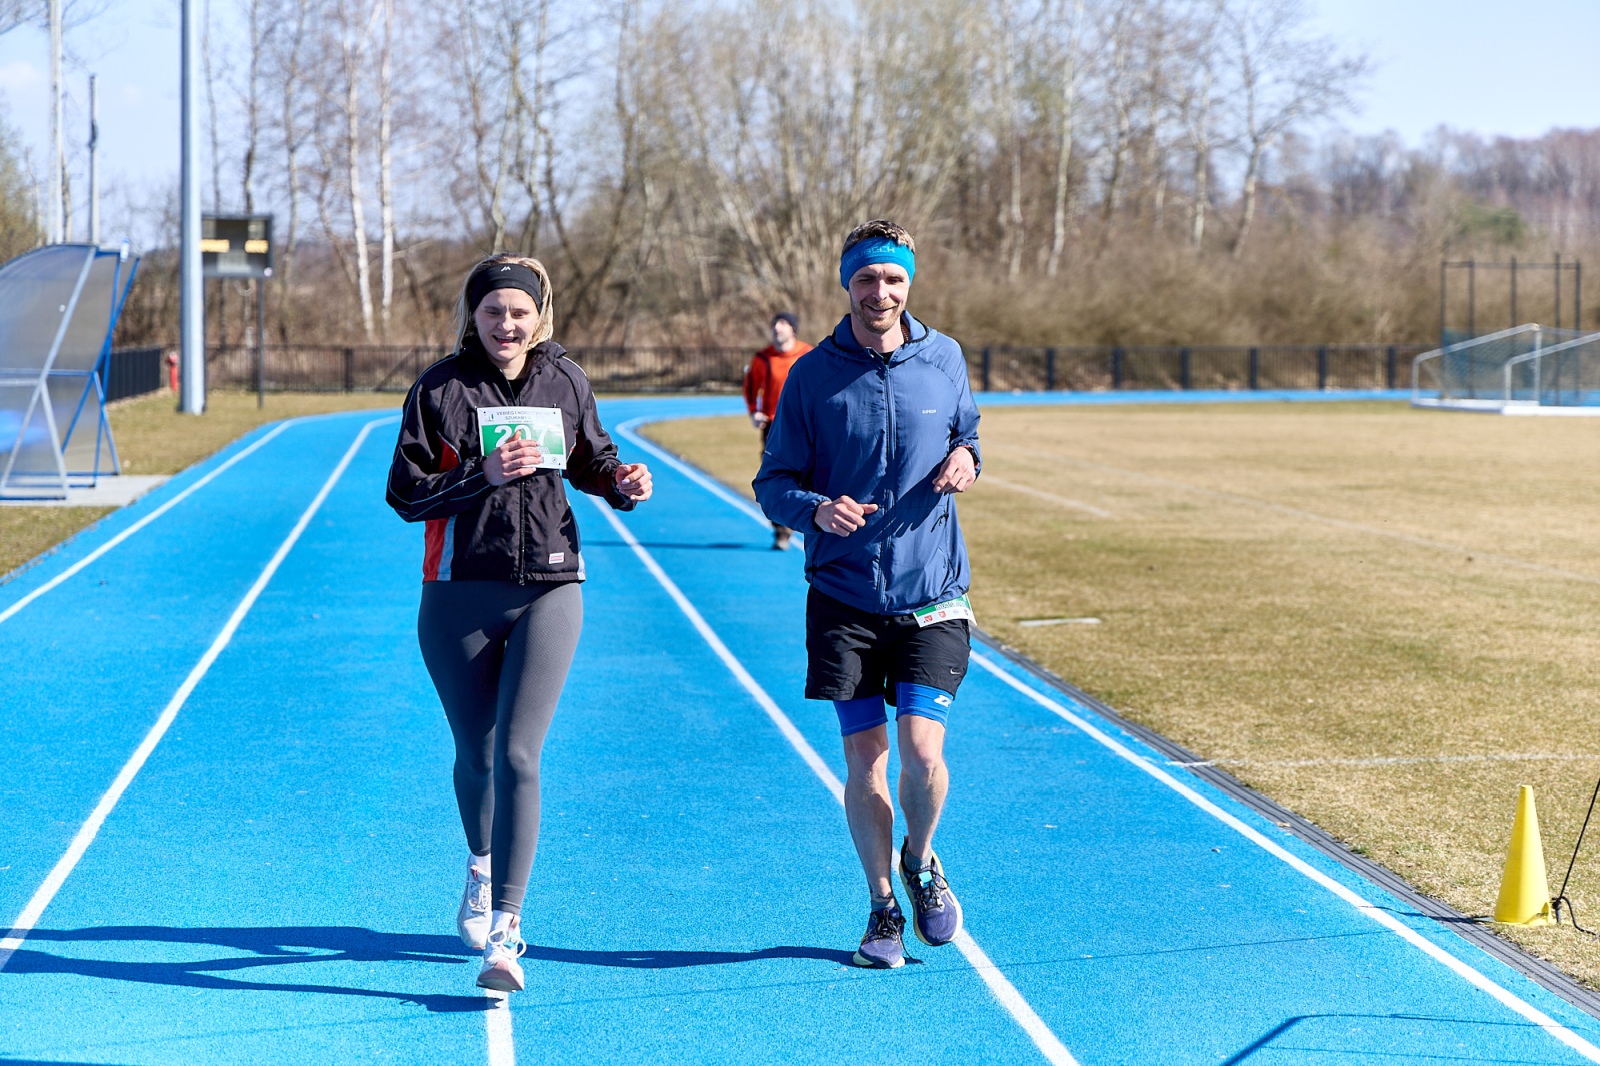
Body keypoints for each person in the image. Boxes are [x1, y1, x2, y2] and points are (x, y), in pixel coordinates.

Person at [386, 254, 652, 993]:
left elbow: (594, 460)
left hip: (550, 587)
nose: (507, 324)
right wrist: (483, 475)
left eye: (520, 312)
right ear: (473, 316)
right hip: (459, 593)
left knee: (520, 756)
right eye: (493, 311)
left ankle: (506, 930)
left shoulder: (564, 379)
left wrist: (624, 482)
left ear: (541, 316)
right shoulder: (439, 388)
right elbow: (405, 495)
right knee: (476, 753)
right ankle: (480, 861)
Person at [753, 220, 980, 969]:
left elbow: (969, 435)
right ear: (846, 285)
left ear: (909, 283)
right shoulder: (814, 375)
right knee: (868, 763)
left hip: (933, 592)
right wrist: (815, 508)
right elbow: (773, 484)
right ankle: (883, 908)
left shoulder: (944, 357)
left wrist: (967, 459)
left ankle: (922, 859)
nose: (879, 292)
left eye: (892, 279)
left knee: (923, 753)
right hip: (846, 598)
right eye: (865, 280)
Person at [743, 312, 812, 549]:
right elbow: (751, 386)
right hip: (774, 425)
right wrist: (754, 411)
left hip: (805, 423)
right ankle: (782, 531)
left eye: (783, 324)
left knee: (809, 473)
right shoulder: (763, 358)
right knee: (776, 475)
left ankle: (811, 522)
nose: (777, 328)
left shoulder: (808, 354)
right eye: (775, 324)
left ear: (793, 329)